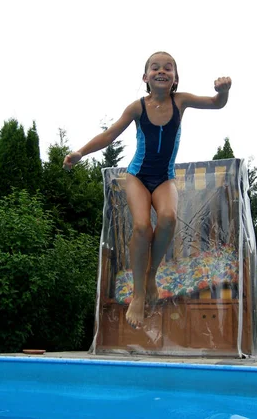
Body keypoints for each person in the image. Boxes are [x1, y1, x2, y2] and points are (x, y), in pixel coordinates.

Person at [64, 51, 231, 328]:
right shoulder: (137, 108)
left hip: (164, 177)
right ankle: (139, 294)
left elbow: (217, 104)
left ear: (176, 78)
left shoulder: (182, 101)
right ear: (145, 77)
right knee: (142, 226)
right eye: (155, 68)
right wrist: (81, 152)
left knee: (168, 218)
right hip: (138, 176)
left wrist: (223, 92)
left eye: (168, 68)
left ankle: (151, 274)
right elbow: (109, 134)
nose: (161, 71)